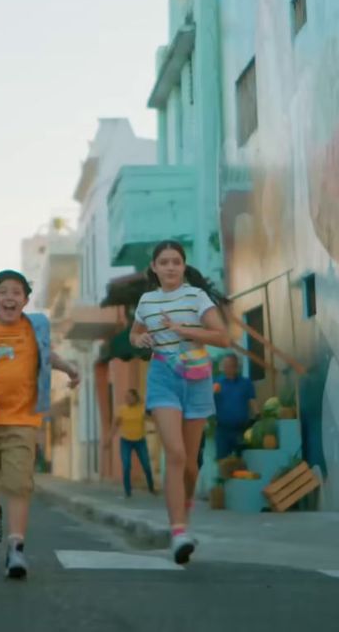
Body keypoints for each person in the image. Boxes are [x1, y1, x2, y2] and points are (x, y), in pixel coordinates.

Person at [0, 269, 82, 580]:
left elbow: (46, 354)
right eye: (2, 292)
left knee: (20, 482)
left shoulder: (34, 328)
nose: (9, 297)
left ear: (25, 300)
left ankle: (16, 547)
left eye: (16, 292)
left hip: (24, 418)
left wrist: (68, 367)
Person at [129, 240, 230, 565]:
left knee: (189, 463)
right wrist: (140, 338)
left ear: (183, 266)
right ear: (155, 268)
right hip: (162, 376)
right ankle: (178, 532)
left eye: (176, 261)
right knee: (174, 453)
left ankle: (183, 512)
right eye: (164, 262)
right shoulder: (146, 300)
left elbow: (222, 337)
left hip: (197, 378)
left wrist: (183, 329)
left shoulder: (196, 297)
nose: (170, 267)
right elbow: (135, 333)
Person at [110, 389, 154, 498]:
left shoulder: (141, 409)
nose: (128, 399)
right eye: (126, 397)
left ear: (135, 398)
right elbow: (115, 425)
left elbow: (153, 418)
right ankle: (127, 491)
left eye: (130, 397)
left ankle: (151, 488)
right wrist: (109, 438)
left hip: (140, 440)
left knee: (146, 465)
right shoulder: (122, 410)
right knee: (126, 465)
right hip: (126, 441)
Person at [213, 354, 258, 461]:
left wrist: (258, 416)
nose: (226, 368)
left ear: (236, 366)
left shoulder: (246, 383)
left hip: (241, 430)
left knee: (242, 462)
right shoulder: (216, 383)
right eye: (225, 365)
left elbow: (252, 400)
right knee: (223, 462)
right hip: (222, 430)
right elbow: (207, 401)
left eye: (229, 365)